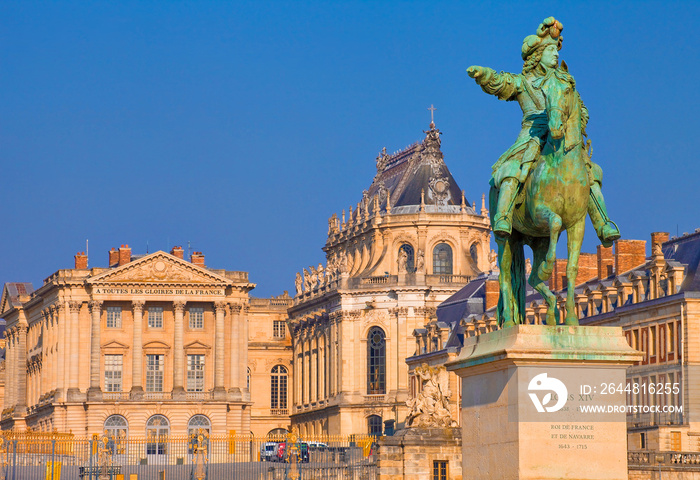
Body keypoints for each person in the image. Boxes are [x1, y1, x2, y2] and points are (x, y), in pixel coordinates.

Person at [467, 17, 620, 247]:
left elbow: (581, 110)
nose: (556, 55)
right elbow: (501, 82)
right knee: (511, 170)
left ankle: (603, 222)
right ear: (537, 56)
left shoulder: (565, 83)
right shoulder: (524, 82)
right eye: (550, 50)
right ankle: (504, 217)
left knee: (590, 173)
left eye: (556, 50)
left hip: (563, 138)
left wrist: (575, 124)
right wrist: (484, 75)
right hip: (532, 136)